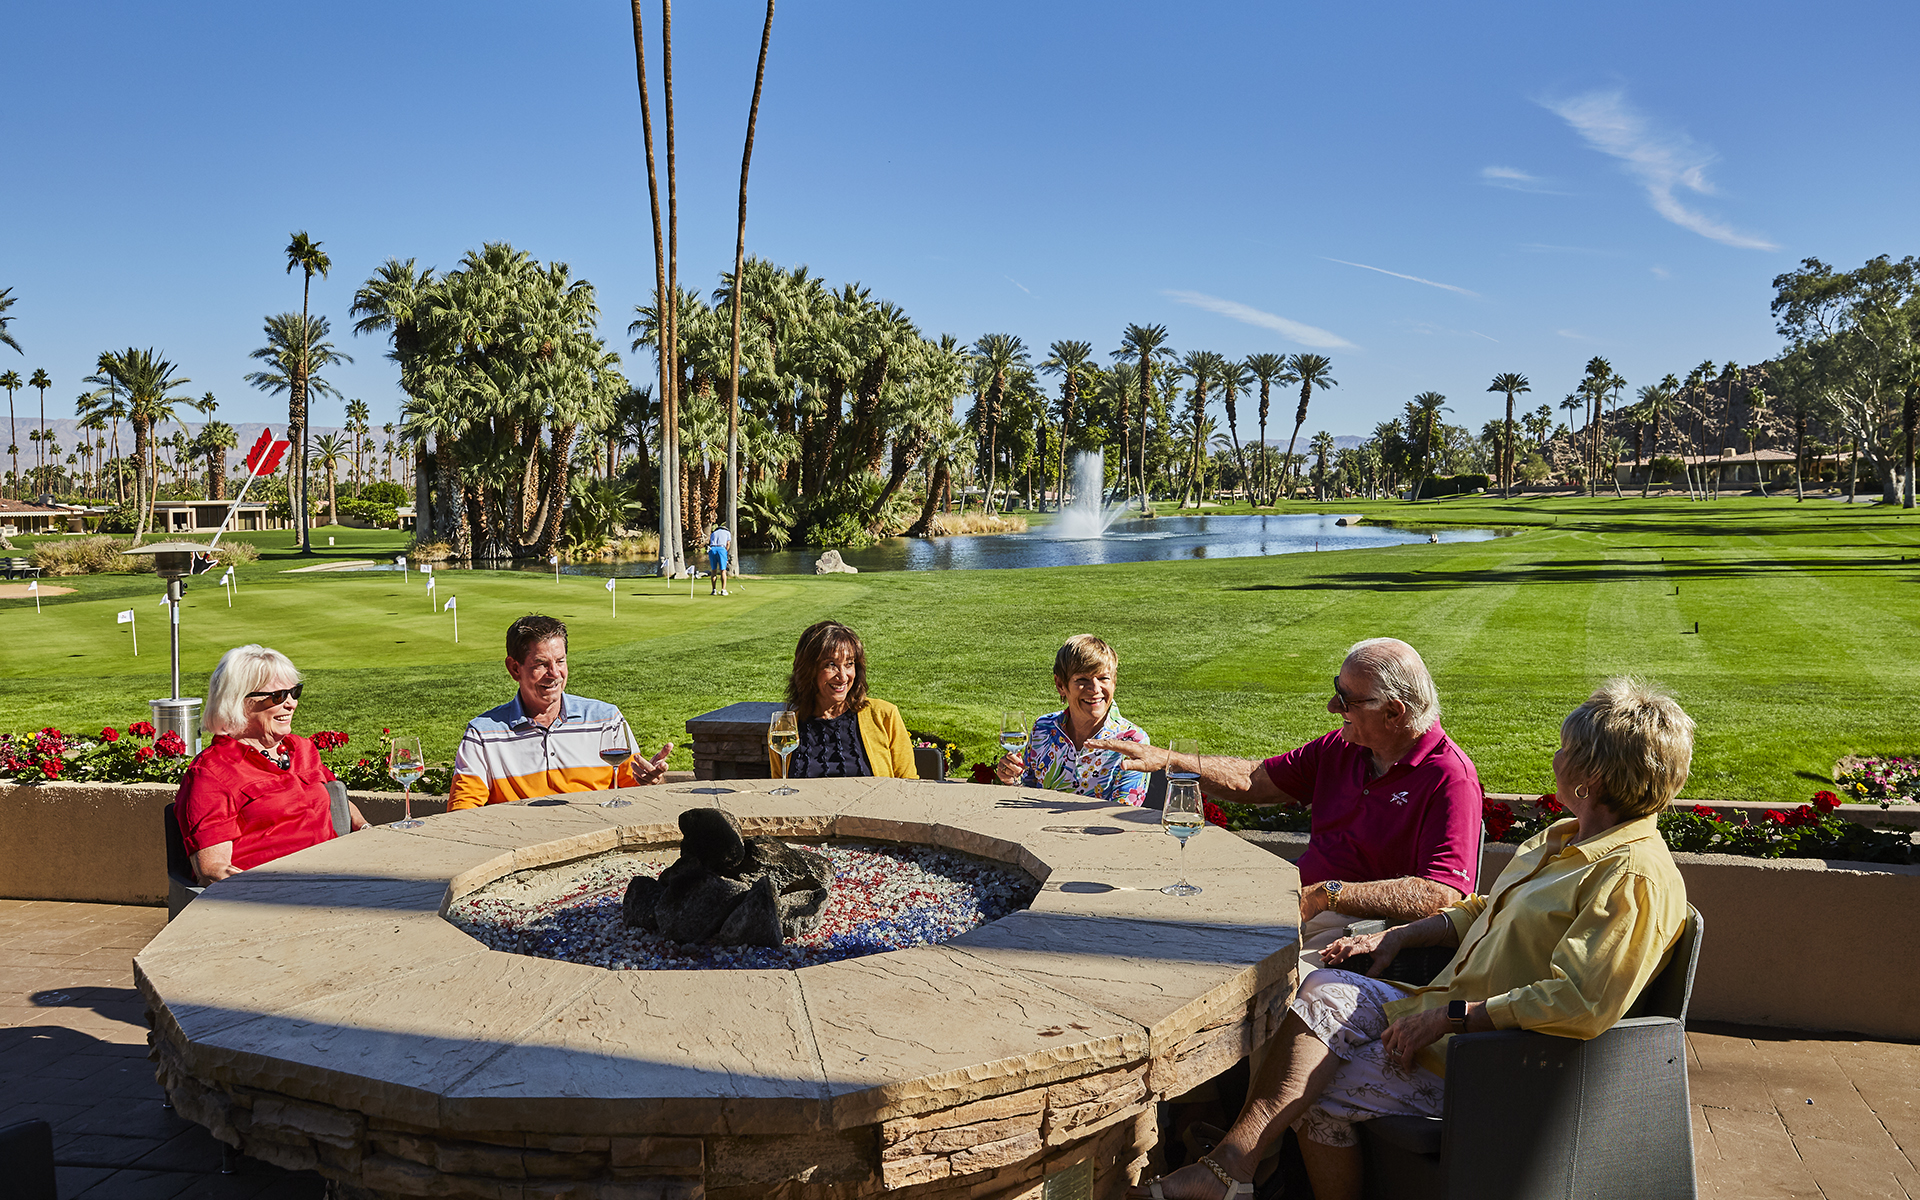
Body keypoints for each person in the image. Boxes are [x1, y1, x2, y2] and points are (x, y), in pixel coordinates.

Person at [1130, 678, 1694, 1200]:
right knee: (1324, 987)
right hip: (1444, 1015)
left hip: (1495, 1062)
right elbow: (1486, 909)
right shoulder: (1565, 838)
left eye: (1565, 749)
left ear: (1591, 776)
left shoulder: (1632, 877)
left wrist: (1452, 1017)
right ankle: (1230, 1168)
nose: (1554, 757)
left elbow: (1580, 1002)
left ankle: (1227, 1171)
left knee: (1319, 1087)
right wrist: (1400, 937)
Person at [1092, 638, 1481, 969]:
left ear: (1393, 712)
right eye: (1337, 688)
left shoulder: (1449, 777)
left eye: (1347, 700)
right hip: (1298, 902)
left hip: (1355, 929)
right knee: (1174, 934)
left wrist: (1330, 893)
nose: (1333, 706)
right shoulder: (1341, 747)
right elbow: (1256, 780)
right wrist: (1170, 760)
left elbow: (1442, 895)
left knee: (1233, 970)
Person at [174, 644, 369, 881]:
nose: (291, 704)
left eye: (294, 692)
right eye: (277, 696)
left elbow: (336, 797)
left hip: (334, 876)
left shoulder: (302, 749)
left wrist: (365, 829)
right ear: (237, 702)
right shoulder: (211, 772)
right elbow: (213, 869)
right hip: (271, 889)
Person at [448, 614, 672, 809]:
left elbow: (637, 795)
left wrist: (652, 782)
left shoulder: (606, 718)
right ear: (514, 668)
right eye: (541, 664)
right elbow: (462, 813)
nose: (555, 673)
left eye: (560, 661)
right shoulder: (483, 734)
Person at [994, 634, 1150, 805]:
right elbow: (1027, 792)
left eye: (1103, 678)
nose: (1095, 689)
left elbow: (1122, 812)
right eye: (1082, 679)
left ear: (1114, 682)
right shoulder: (1043, 728)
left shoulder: (1133, 742)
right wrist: (1011, 780)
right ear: (1060, 685)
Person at [780, 620, 917, 778]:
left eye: (849, 663)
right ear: (808, 670)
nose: (843, 676)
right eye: (831, 665)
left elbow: (909, 784)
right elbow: (780, 785)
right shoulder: (785, 727)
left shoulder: (884, 715)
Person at [707, 524, 731, 596]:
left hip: (712, 549)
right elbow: (728, 543)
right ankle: (723, 590)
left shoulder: (713, 533)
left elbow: (710, 542)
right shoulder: (727, 533)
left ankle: (714, 590)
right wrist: (725, 551)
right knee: (723, 570)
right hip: (721, 549)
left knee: (713, 570)